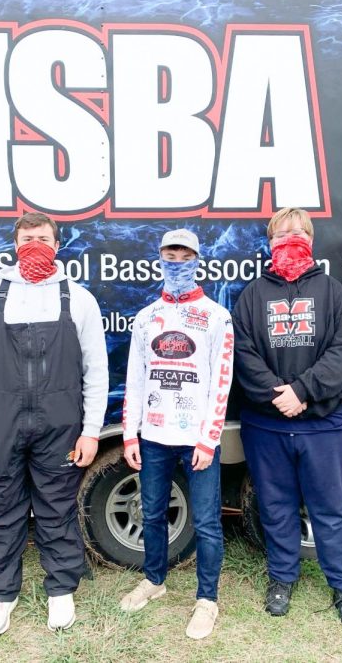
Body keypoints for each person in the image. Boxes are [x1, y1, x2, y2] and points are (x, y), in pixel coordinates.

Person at [0, 212, 108, 636]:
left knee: (57, 510)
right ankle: (0, 595)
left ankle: (61, 590)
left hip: (60, 424)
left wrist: (91, 431)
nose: (34, 245)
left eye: (42, 238)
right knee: (2, 511)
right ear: (14, 245)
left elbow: (96, 371)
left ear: (57, 246)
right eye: (26, 239)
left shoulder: (78, 299)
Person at [231, 207, 342, 628]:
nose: (288, 238)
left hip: (325, 424)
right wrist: (280, 396)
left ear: (310, 238)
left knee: (330, 508)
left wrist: (302, 391)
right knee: (275, 507)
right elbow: (243, 353)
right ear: (269, 243)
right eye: (280, 233)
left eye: (296, 231)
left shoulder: (332, 292)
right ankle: (281, 579)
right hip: (267, 424)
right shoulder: (252, 295)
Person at [118, 229, 234, 640]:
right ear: (160, 257)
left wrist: (208, 438)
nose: (178, 259)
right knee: (151, 513)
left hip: (198, 438)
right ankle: (154, 581)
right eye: (171, 252)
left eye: (186, 253)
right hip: (153, 435)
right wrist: (130, 435)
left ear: (197, 260)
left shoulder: (217, 316)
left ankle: (207, 600)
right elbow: (135, 378)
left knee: (205, 522)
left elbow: (222, 380)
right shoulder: (146, 317)